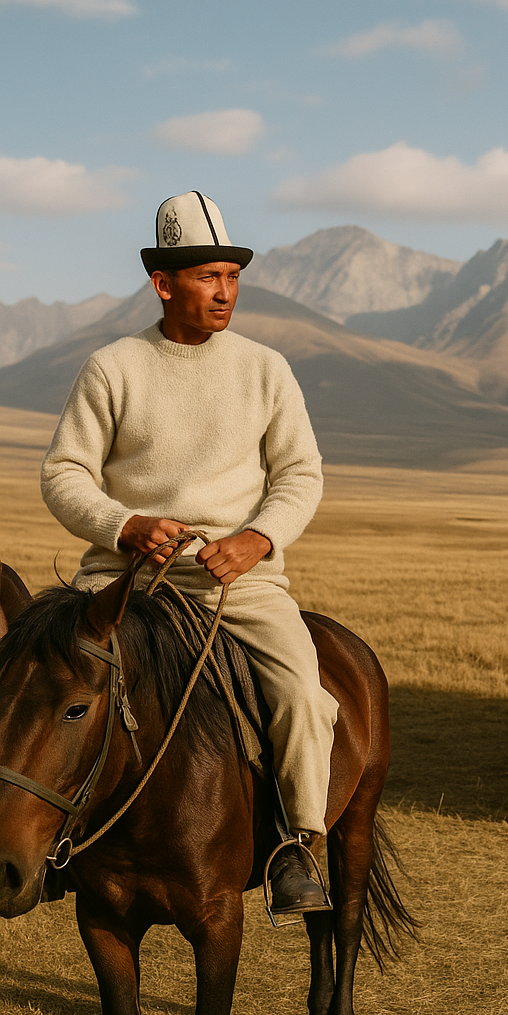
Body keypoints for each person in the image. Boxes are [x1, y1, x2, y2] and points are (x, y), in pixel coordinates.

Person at [40, 191, 338, 915]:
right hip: (123, 579)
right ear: (164, 283)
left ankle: (297, 844)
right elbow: (63, 474)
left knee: (304, 696)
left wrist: (256, 539)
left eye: (232, 277)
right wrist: (124, 524)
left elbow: (301, 474)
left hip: (233, 582)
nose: (226, 292)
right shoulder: (112, 367)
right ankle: (42, 840)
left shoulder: (266, 369)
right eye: (209, 277)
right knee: (35, 684)